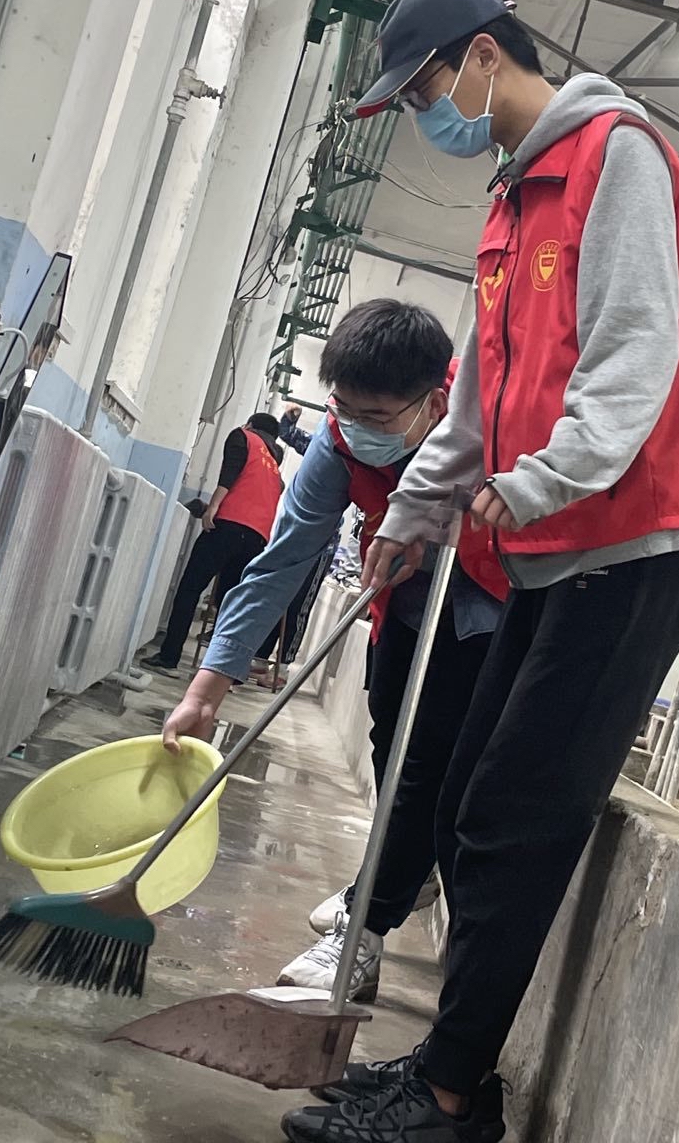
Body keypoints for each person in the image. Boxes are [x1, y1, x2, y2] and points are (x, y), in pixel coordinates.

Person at [281, 0, 679, 1143]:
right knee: (465, 803)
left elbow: (634, 363)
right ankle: (447, 1067)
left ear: (485, 56)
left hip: (636, 540)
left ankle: (449, 1101)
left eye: (426, 89)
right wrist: (408, 516)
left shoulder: (614, 156)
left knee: (514, 815)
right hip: (553, 541)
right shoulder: (510, 204)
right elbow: (477, 408)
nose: (427, 115)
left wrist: (532, 485)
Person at [163, 299, 507, 1023]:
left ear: (433, 404)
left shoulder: (492, 416)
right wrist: (206, 690)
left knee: (430, 762)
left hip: (487, 602)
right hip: (401, 600)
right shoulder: (338, 444)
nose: (355, 429)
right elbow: (279, 564)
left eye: (375, 417)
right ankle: (405, 873)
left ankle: (363, 931)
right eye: (343, 409)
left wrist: (444, 524)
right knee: (392, 742)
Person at [146, 413, 284, 671]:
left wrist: (212, 508)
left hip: (227, 527)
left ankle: (169, 657)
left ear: (250, 425)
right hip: (256, 538)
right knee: (229, 605)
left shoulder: (243, 437)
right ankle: (217, 669)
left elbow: (229, 475)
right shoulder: (274, 463)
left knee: (190, 589)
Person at [251, 407, 343, 684]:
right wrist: (289, 418)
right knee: (278, 597)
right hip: (296, 535)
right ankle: (260, 658)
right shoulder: (322, 447)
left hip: (323, 544)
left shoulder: (350, 458)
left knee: (299, 605)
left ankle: (283, 667)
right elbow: (289, 434)